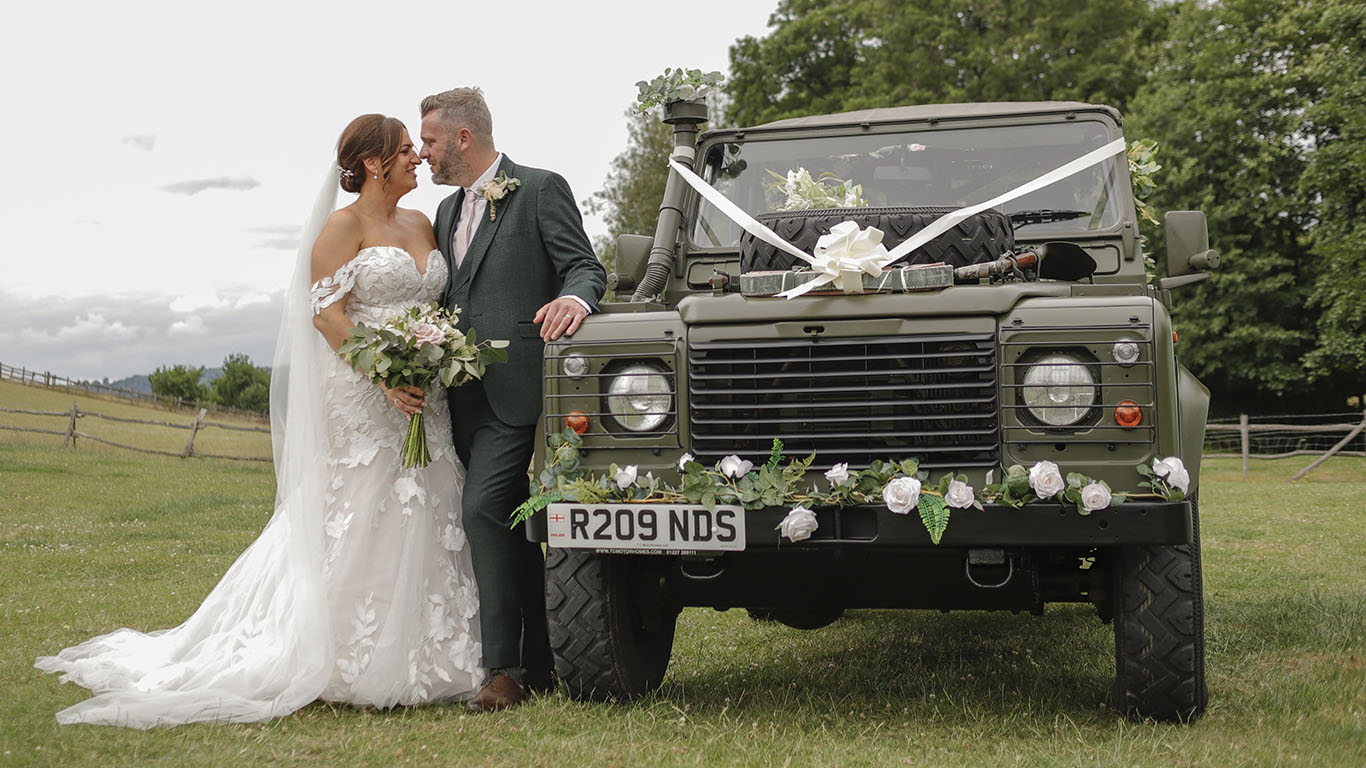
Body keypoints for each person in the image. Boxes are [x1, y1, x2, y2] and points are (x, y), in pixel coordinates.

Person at [34, 114, 484, 727]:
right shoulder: (340, 227)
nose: (416, 159)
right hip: (364, 395)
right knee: (365, 505)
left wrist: (429, 360)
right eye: (406, 151)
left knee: (429, 499)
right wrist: (384, 375)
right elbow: (326, 317)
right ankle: (346, 654)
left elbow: (433, 302)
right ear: (375, 163)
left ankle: (438, 648)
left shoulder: (421, 222)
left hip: (423, 399)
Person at [413, 87, 605, 711]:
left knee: (485, 509)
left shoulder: (541, 188)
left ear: (463, 139)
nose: (425, 153)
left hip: (521, 386)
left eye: (431, 141)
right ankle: (546, 658)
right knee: (514, 525)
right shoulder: (444, 212)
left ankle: (504, 670)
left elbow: (585, 267)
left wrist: (574, 301)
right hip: (459, 397)